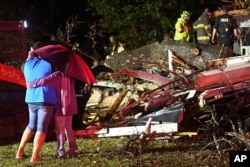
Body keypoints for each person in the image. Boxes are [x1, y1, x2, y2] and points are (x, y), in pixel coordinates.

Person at [16, 42, 58, 162]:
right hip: (45, 98)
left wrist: (30, 56)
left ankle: (20, 152)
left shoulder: (25, 64)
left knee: (31, 125)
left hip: (30, 98)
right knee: (41, 128)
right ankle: (35, 156)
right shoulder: (50, 63)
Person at [28, 71, 79, 158]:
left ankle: (61, 151)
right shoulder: (71, 77)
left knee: (60, 130)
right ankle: (73, 149)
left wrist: (31, 84)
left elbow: (43, 81)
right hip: (70, 106)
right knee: (68, 128)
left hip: (61, 106)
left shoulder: (56, 76)